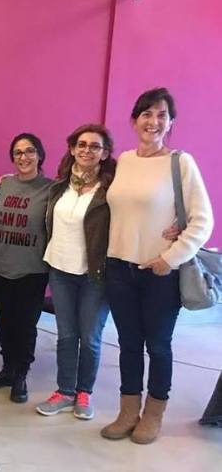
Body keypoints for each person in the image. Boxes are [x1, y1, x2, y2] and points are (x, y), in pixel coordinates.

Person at [102, 88, 213, 444]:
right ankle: (127, 411)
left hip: (159, 273)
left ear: (171, 122)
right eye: (146, 114)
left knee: (159, 346)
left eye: (162, 115)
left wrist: (170, 258)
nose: (153, 121)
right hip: (119, 268)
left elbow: (203, 221)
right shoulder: (124, 161)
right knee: (128, 344)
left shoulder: (181, 163)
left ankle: (153, 413)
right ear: (134, 121)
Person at [35, 124, 115, 420]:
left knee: (90, 337)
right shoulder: (59, 187)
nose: (87, 150)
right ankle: (65, 391)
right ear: (72, 149)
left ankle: (84, 392)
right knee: (67, 336)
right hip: (60, 270)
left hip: (95, 274)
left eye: (95, 146)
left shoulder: (110, 192)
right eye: (82, 144)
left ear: (104, 153)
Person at [0, 133, 53, 403]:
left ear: (40, 155)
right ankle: (7, 369)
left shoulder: (51, 189)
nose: (23, 157)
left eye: (29, 151)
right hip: (0, 264)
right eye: (18, 153)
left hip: (31, 270)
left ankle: (21, 374)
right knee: (4, 322)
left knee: (25, 325)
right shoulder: (4, 184)